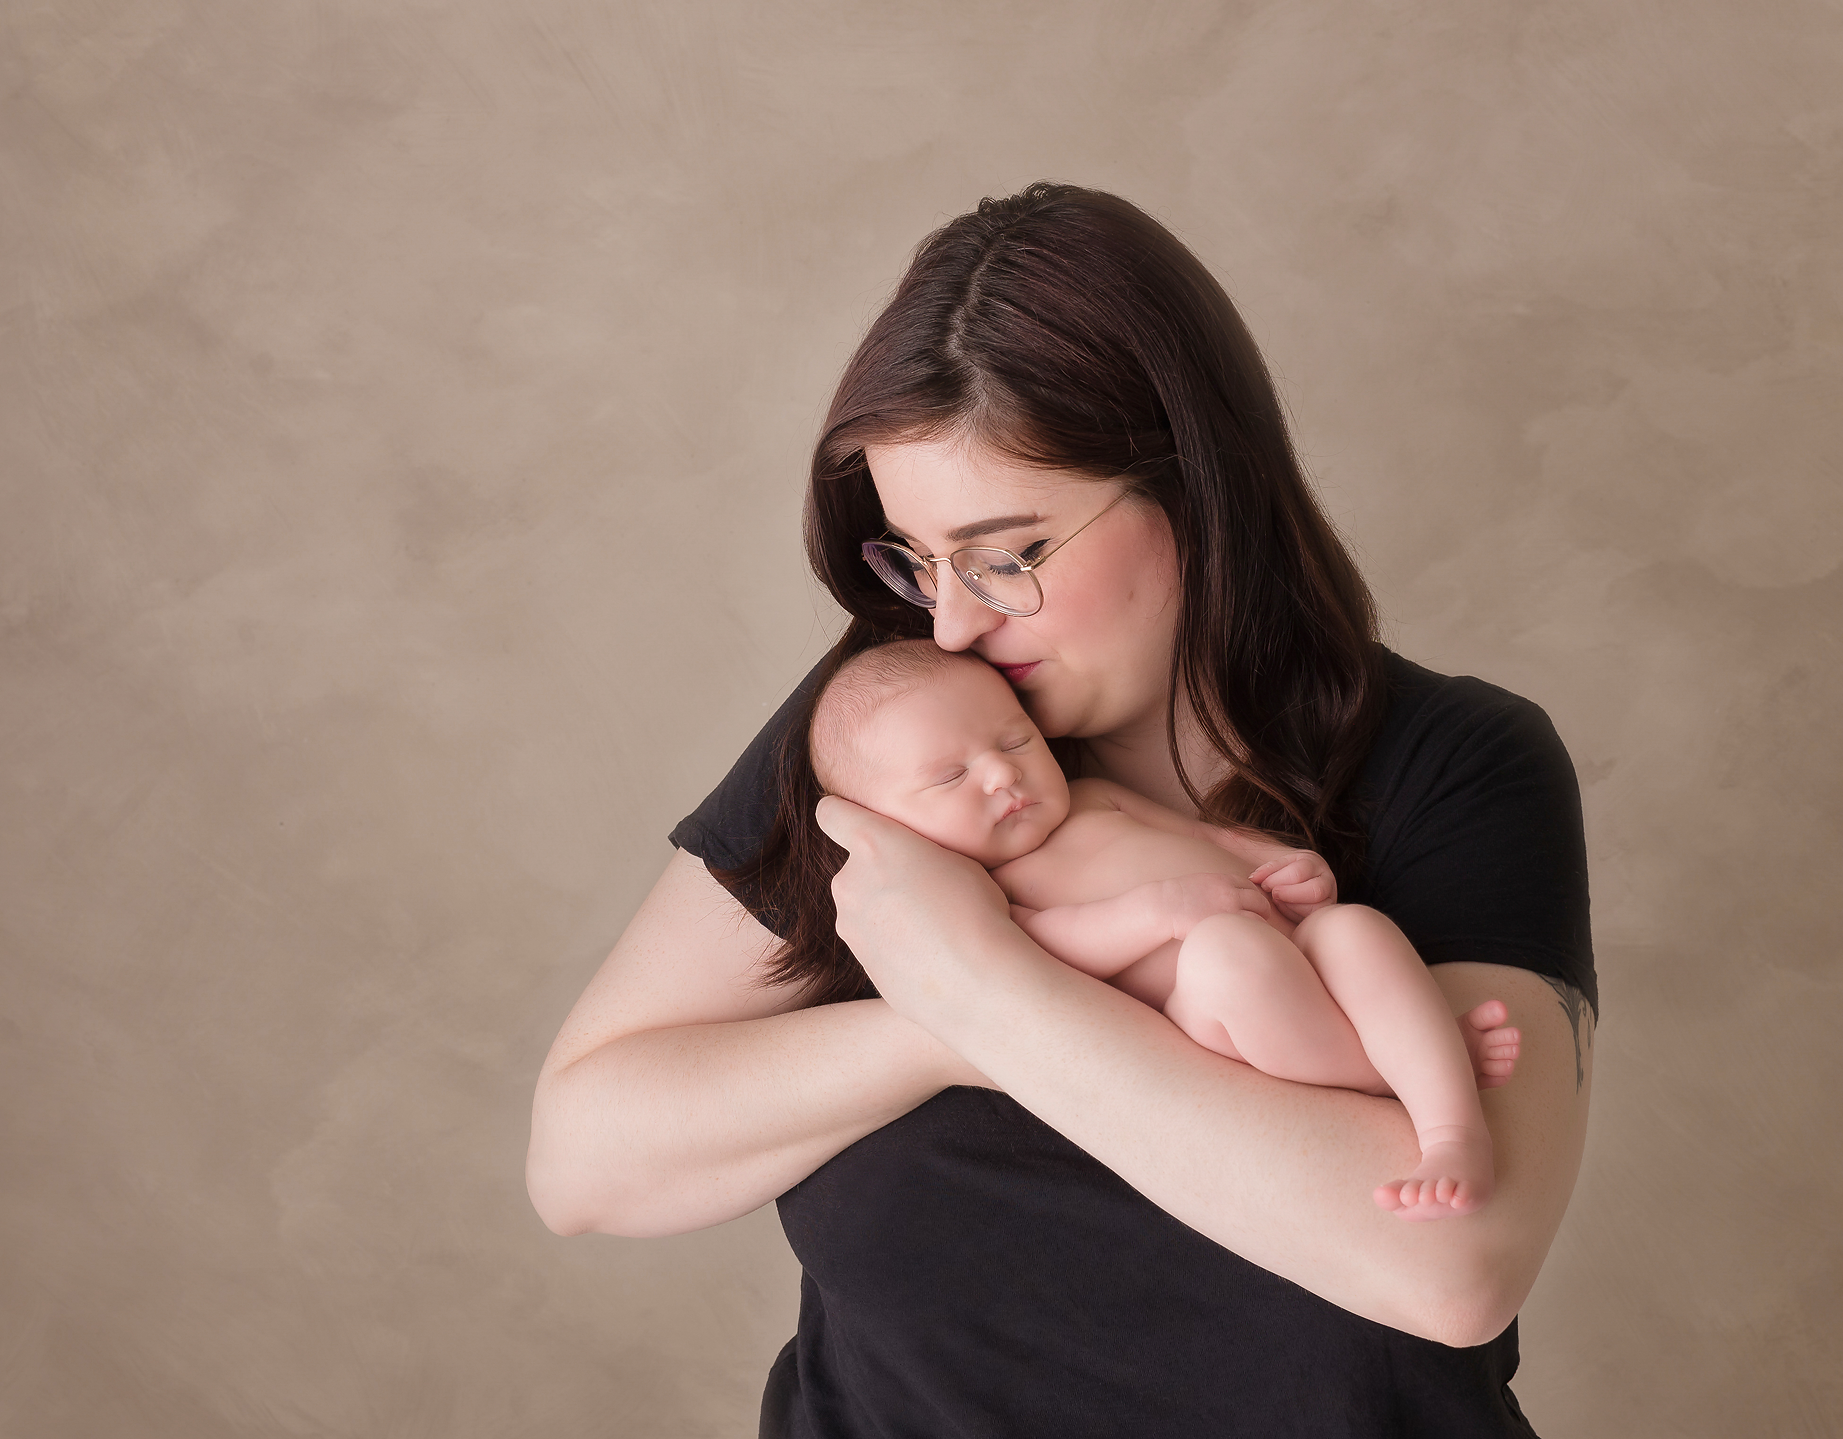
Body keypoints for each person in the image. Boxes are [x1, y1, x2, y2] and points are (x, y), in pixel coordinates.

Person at [527, 183, 1599, 1437]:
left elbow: (1453, 1272)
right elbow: (584, 1161)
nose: (953, 623)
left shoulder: (1458, 765)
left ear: (1194, 490)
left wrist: (992, 982)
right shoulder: (907, 729)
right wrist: (943, 1021)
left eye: (1005, 552)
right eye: (917, 562)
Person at [806, 638, 1526, 1218]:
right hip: (1209, 1010)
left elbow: (1221, 842)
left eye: (1016, 741)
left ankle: (1450, 1130)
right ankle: (1392, 1069)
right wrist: (1156, 913)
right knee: (1223, 951)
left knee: (1357, 931)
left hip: (1290, 943)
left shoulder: (1094, 797)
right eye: (948, 777)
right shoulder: (981, 893)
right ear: (884, 828)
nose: (1002, 775)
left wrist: (1291, 866)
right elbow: (1048, 956)